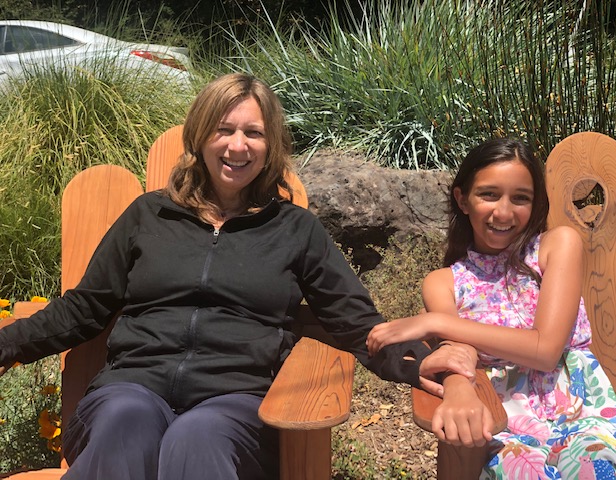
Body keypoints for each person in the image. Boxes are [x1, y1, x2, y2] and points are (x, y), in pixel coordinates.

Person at [0, 73, 489, 480]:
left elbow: (355, 323)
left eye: (253, 133)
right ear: (200, 137)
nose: (238, 145)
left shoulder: (295, 229)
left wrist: (424, 363)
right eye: (224, 129)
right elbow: (84, 306)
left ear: (270, 143)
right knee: (126, 424)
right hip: (131, 388)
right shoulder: (148, 216)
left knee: (197, 440)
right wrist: (8, 344)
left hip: (235, 402)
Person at [367, 138, 616, 479]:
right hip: (500, 415)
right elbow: (457, 354)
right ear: (462, 199)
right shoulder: (443, 282)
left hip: (578, 410)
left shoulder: (557, 247)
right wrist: (459, 388)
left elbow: (544, 351)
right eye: (489, 194)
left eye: (521, 198)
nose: (504, 212)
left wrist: (436, 322)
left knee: (596, 468)